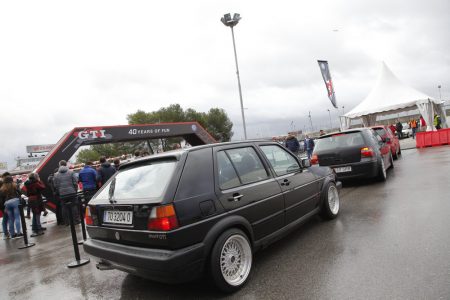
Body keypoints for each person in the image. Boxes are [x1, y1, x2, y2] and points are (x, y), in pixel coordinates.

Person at [53, 160, 79, 225]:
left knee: (64, 207)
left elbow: (55, 185)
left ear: (59, 165)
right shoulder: (71, 172)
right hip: (72, 192)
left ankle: (66, 222)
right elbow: (75, 182)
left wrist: (60, 191)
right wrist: (75, 190)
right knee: (74, 206)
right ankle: (76, 221)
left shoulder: (56, 175)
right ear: (66, 165)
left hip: (62, 194)